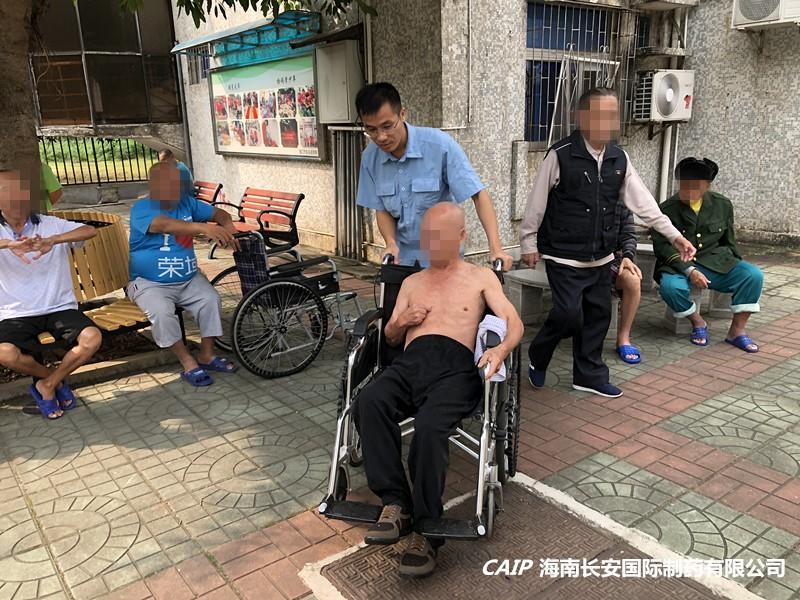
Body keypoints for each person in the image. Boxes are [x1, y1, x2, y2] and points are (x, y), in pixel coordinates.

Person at [353, 203, 524, 577]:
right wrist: (400, 321)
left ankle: (426, 531)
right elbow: (391, 337)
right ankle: (397, 504)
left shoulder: (480, 278)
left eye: (439, 236)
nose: (431, 244)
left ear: (461, 236)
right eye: (426, 236)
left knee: (430, 428)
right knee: (369, 401)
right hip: (411, 362)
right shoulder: (412, 283)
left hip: (456, 369)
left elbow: (515, 323)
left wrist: (499, 351)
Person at [519, 87, 696, 398]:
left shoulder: (619, 158)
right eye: (599, 115)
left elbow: (644, 204)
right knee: (568, 314)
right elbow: (537, 202)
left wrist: (674, 235)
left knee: (598, 316)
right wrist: (528, 243)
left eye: (612, 115)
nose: (606, 122)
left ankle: (588, 375)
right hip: (563, 255)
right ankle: (539, 353)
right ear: (582, 117)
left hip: (602, 257)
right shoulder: (561, 154)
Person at [355, 82, 513, 270]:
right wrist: (390, 242)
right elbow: (382, 209)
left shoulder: (439, 145)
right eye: (371, 130)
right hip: (402, 260)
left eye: (387, 126)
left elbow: (478, 195)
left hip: (443, 259)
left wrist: (495, 247)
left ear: (402, 114)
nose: (381, 137)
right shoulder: (370, 158)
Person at [0, 166, 101, 419]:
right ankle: (53, 379)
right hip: (14, 313)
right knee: (5, 352)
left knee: (92, 338)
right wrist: (9, 244)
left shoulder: (50, 224)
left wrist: (53, 240)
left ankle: (47, 385)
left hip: (59, 307)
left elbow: (89, 230)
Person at [127, 162, 239, 386]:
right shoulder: (142, 208)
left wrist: (229, 228)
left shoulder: (187, 203)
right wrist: (204, 228)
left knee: (210, 300)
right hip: (149, 283)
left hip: (188, 278)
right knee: (162, 312)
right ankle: (187, 361)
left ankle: (207, 354)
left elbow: (220, 213)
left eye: (177, 183)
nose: (173, 188)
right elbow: (163, 225)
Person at [652, 157, 763, 353]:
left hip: (715, 261)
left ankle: (736, 332)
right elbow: (662, 248)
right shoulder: (666, 210)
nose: (688, 191)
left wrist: (735, 264)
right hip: (679, 265)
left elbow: (729, 241)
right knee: (670, 288)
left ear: (707, 186)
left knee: (753, 275)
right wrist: (689, 270)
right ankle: (698, 322)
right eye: (684, 185)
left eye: (695, 186)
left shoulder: (722, 205)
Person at [612, 207, 644, 364]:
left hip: (612, 259)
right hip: (577, 260)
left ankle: (623, 338)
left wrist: (628, 256)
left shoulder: (620, 200)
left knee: (633, 279)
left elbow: (629, 235)